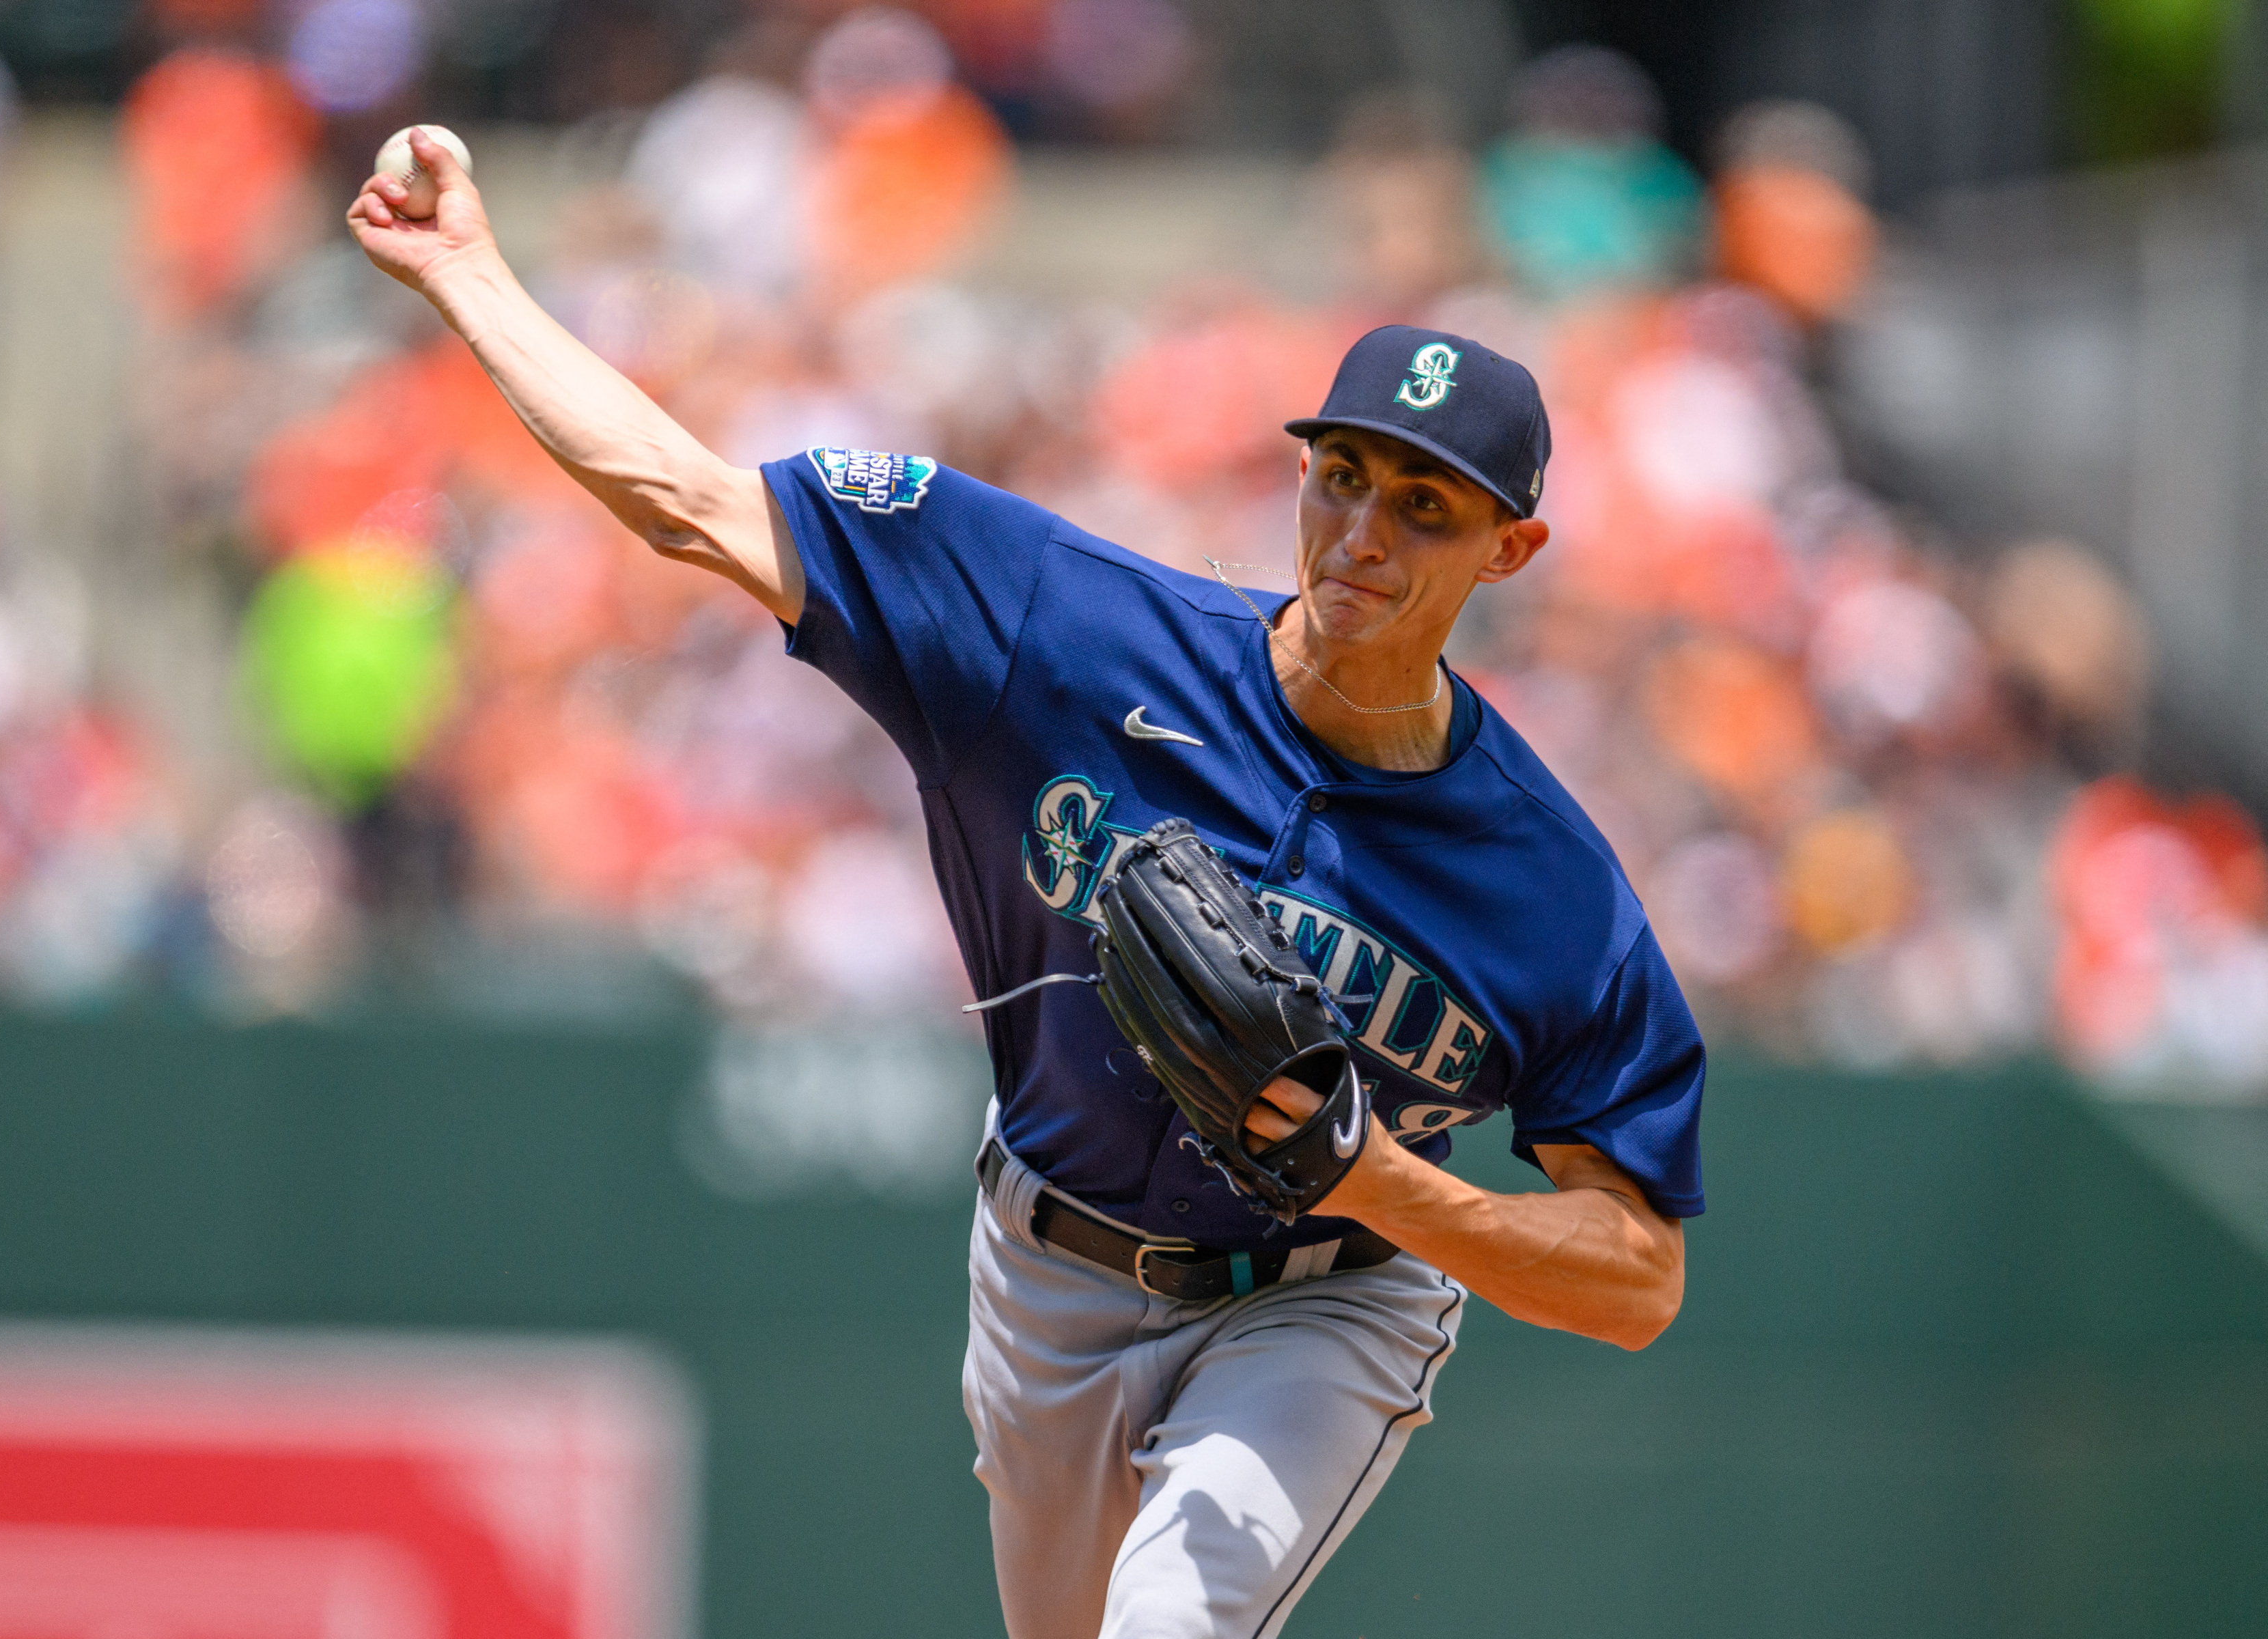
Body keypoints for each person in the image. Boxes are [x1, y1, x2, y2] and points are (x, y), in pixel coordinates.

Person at [350, 134, 1703, 1639]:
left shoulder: (1552, 885)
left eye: (1426, 509)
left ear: (1512, 549)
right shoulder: (1065, 630)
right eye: (1342, 477)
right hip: (1049, 1264)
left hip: (1329, 1295)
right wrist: (467, 273)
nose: (1364, 533)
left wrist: (1372, 1177)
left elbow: (1637, 1276)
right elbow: (690, 501)